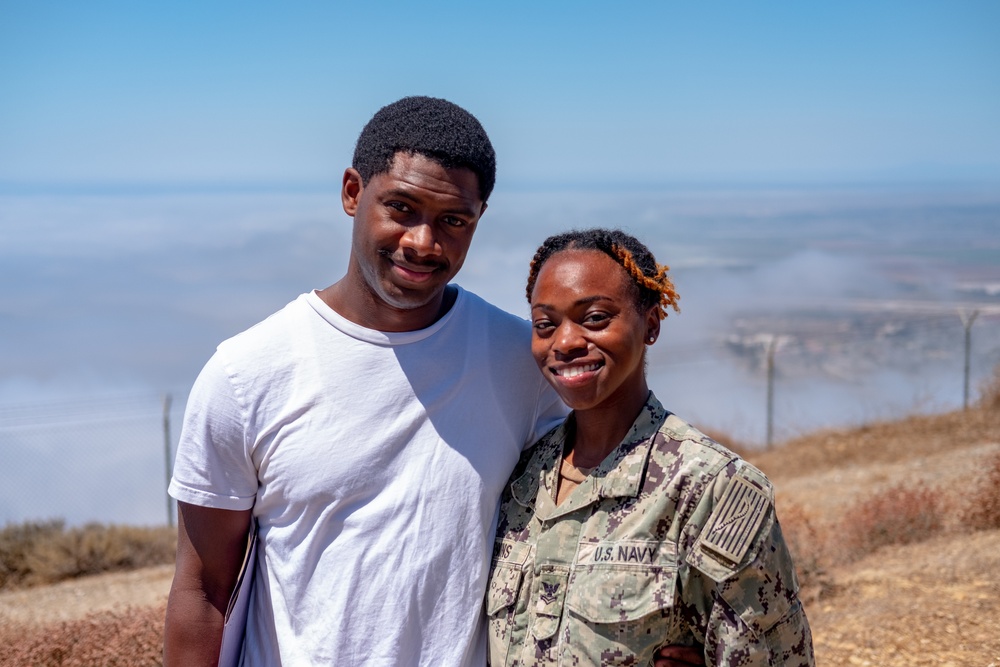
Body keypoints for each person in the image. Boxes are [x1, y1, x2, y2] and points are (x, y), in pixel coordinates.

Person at [162, 96, 570, 666]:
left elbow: (598, 516)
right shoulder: (246, 373)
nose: (424, 243)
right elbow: (203, 592)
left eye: (453, 220)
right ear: (353, 192)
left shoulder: (519, 361)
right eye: (401, 207)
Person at [486, 229, 814, 666]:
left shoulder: (712, 489)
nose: (564, 342)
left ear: (652, 324)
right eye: (545, 324)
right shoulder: (523, 478)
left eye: (596, 318)